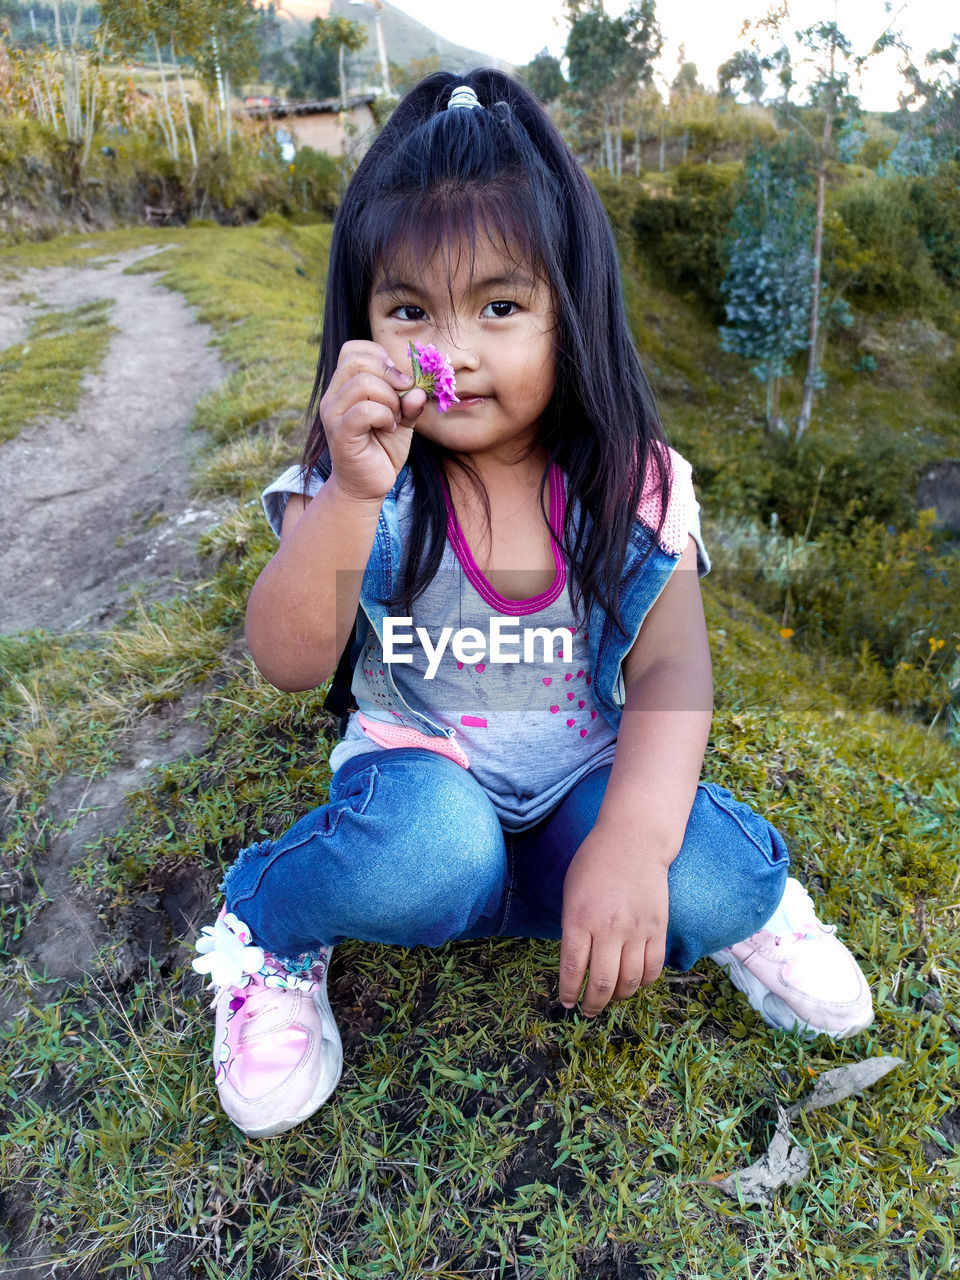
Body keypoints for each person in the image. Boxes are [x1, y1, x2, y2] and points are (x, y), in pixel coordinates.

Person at [191, 71, 874, 1139]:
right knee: (427, 858)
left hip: (584, 792)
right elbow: (285, 657)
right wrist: (354, 491)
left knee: (709, 878)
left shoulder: (631, 480)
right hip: (427, 780)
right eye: (410, 308)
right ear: (363, 321)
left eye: (500, 307)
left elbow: (672, 671)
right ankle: (269, 920)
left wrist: (637, 841)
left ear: (571, 312)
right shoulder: (368, 479)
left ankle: (753, 910)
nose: (451, 352)